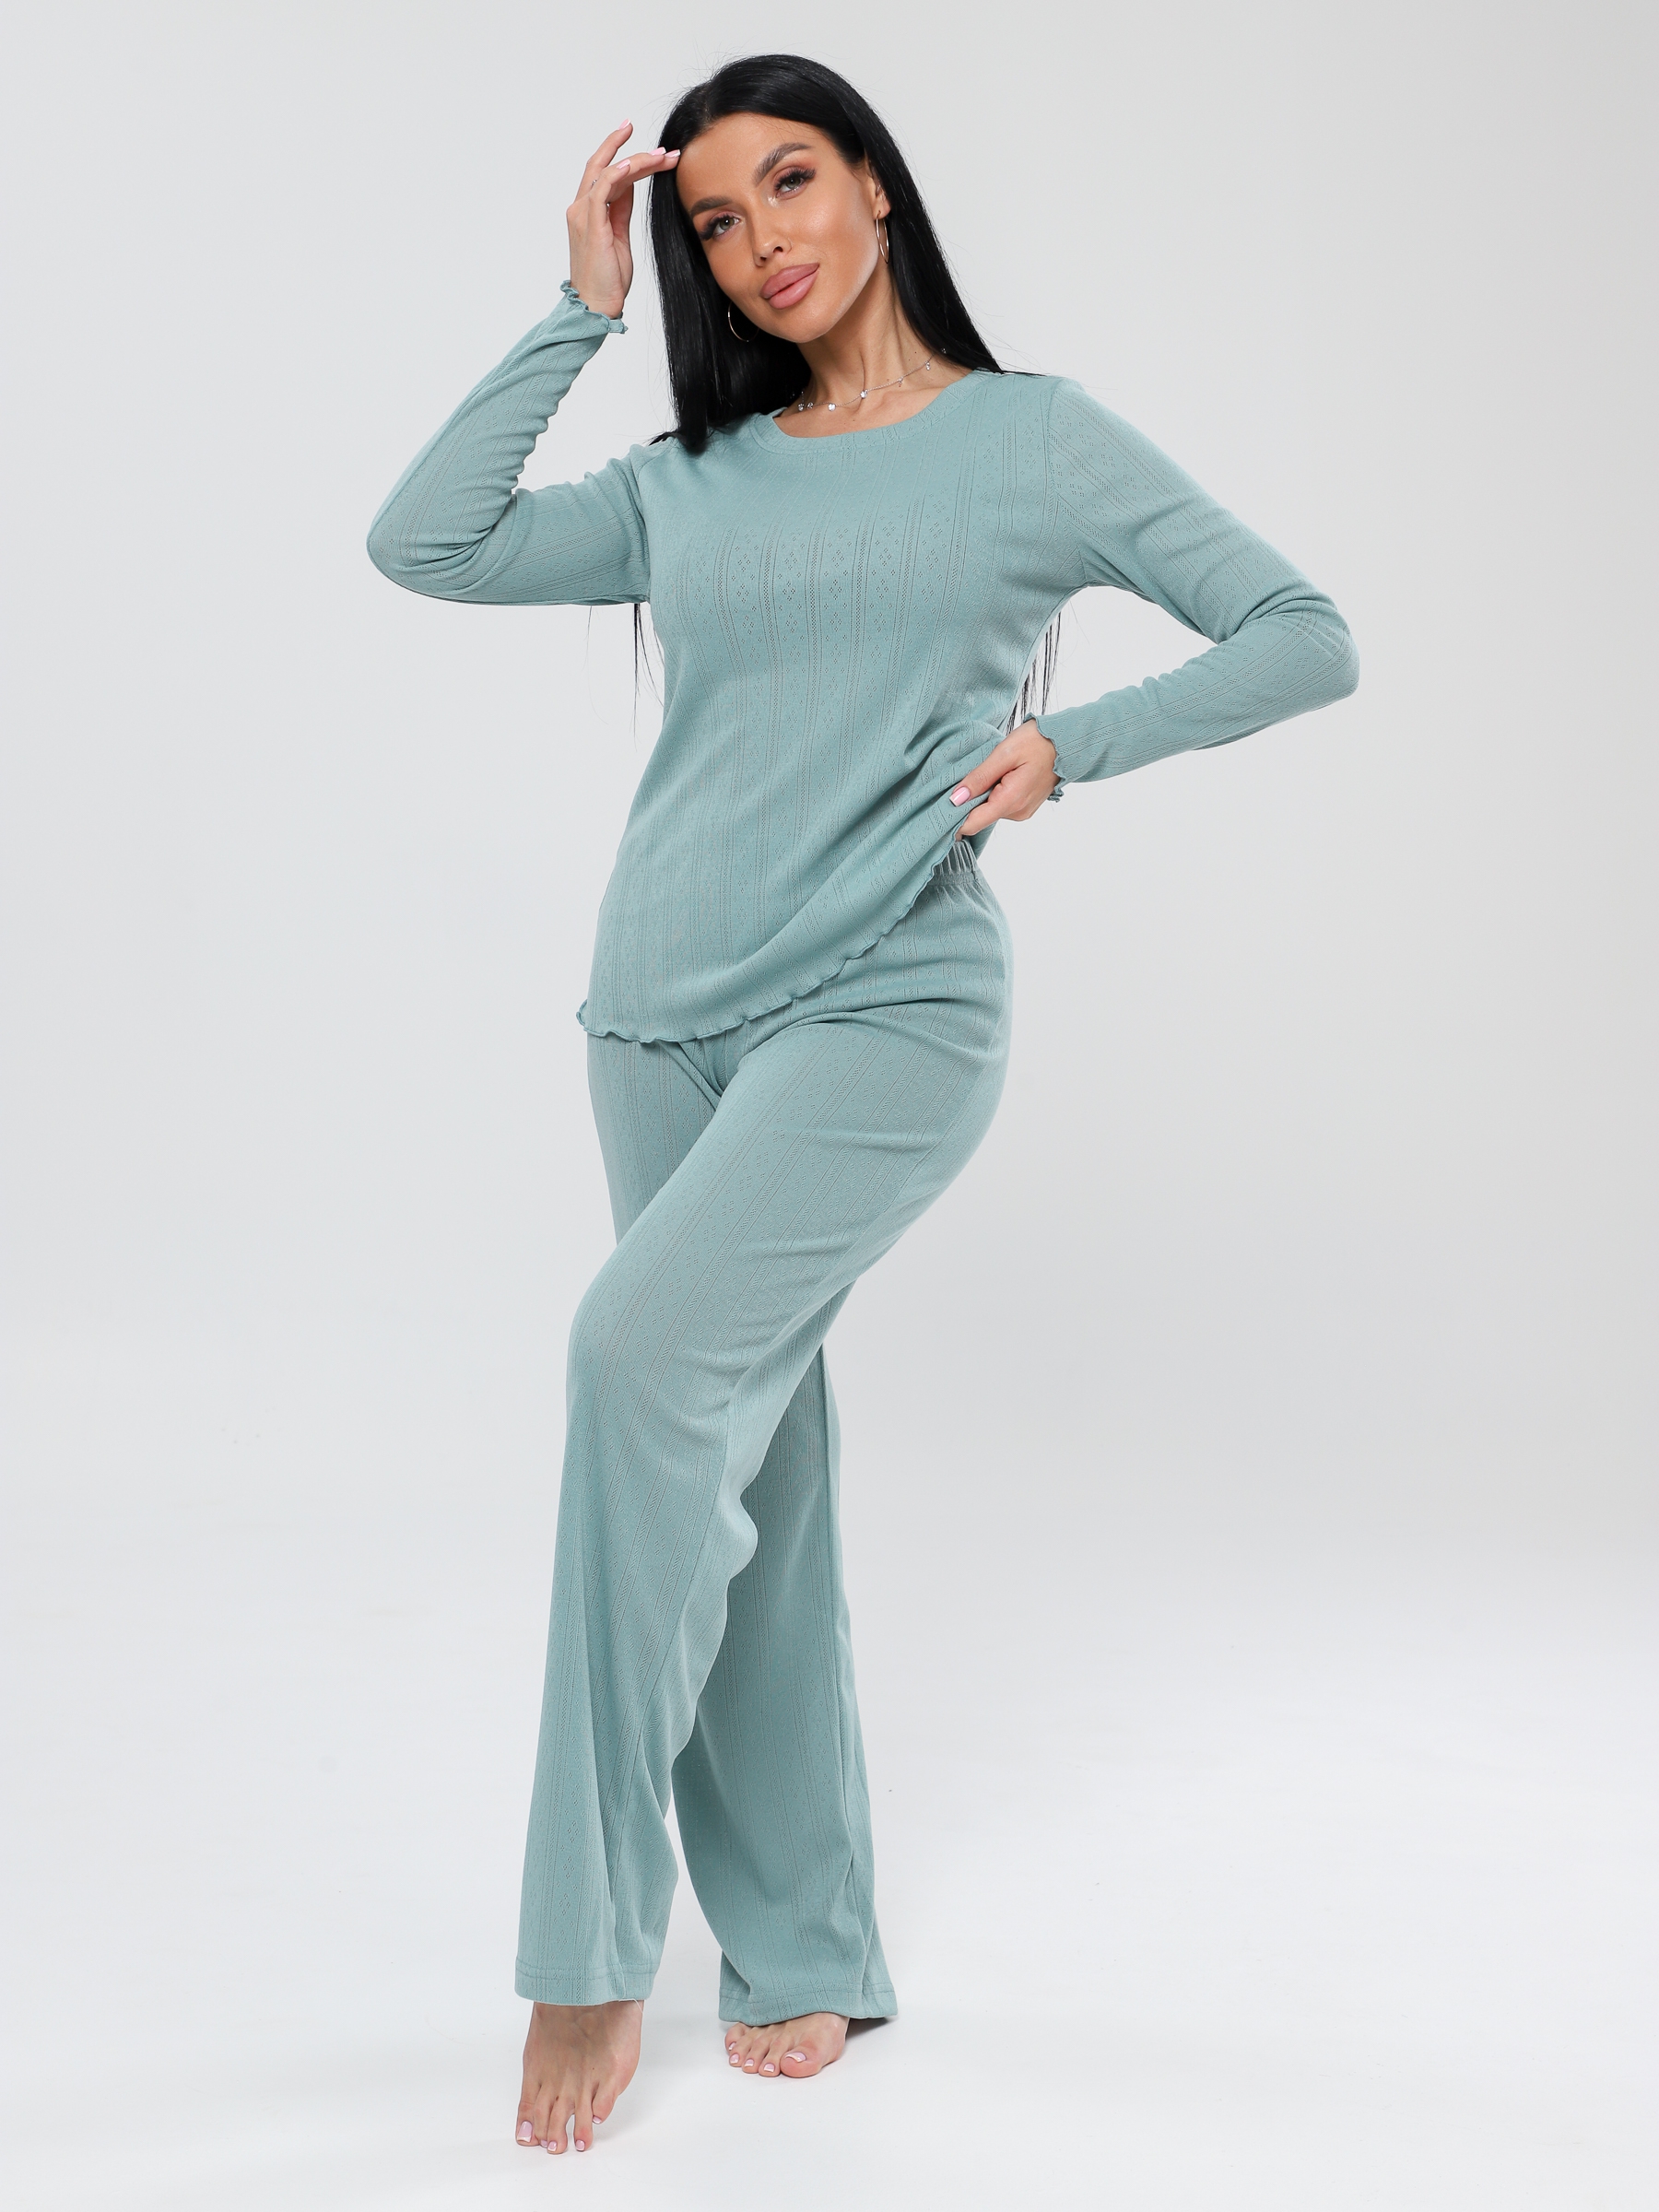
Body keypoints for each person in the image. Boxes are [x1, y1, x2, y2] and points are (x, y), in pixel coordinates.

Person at [365, 52, 1358, 2157]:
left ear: (880, 188)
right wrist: (576, 306)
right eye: (717, 222)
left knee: (633, 1364)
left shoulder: (1034, 439)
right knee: (752, 1457)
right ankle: (810, 1940)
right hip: (654, 1015)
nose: (761, 243)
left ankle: (583, 1948)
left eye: (791, 183)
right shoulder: (693, 477)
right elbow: (425, 541)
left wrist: (1075, 748)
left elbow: (1302, 632)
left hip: (890, 1000)